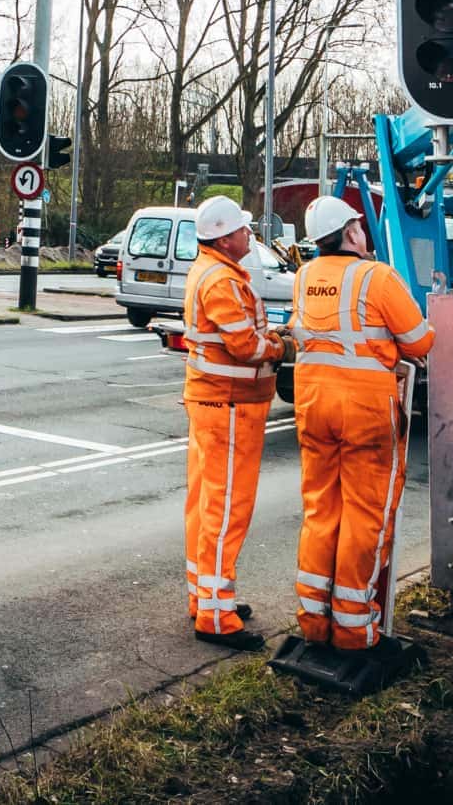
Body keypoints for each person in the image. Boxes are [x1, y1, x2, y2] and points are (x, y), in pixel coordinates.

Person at [288, 195, 432, 669]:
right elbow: (420, 341)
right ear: (351, 233)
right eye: (359, 227)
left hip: (313, 407)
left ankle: (314, 622)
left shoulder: (306, 277)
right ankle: (354, 631)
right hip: (366, 411)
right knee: (365, 515)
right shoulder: (377, 277)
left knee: (321, 510)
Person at [180, 194, 284, 648]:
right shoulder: (222, 280)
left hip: (213, 403)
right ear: (224, 237)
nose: (249, 234)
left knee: (204, 506)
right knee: (226, 512)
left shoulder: (212, 270)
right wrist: (283, 346)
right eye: (243, 229)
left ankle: (204, 598)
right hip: (230, 405)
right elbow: (245, 346)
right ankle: (217, 617)